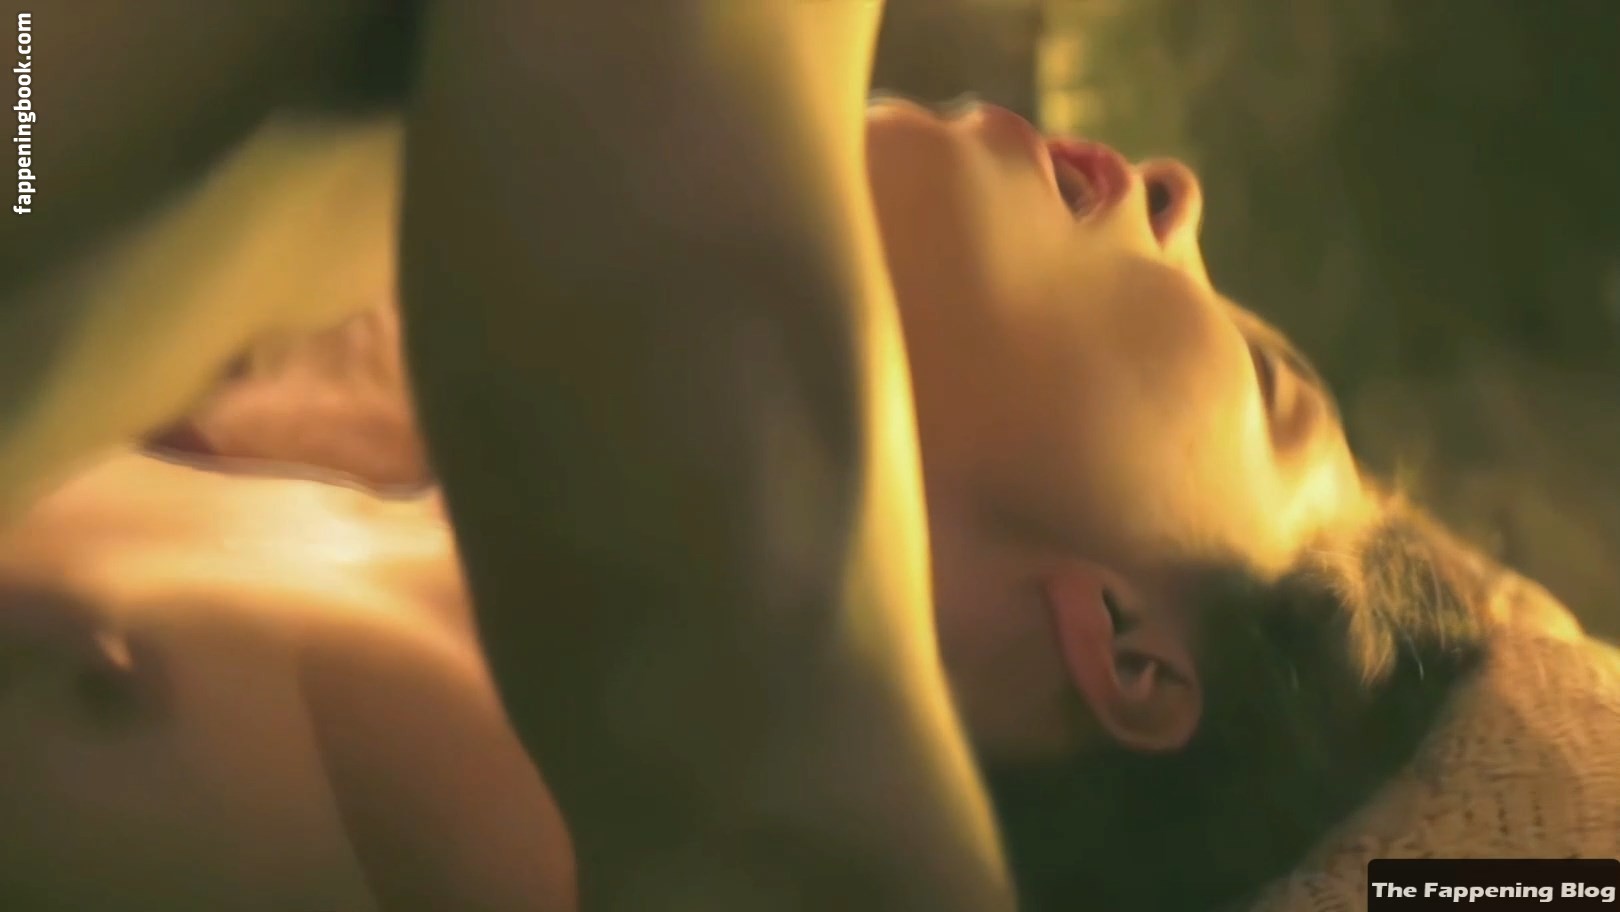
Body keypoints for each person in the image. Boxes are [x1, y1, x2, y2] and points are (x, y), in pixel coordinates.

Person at [6, 2, 1620, 911]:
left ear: (1131, 653)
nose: (1182, 197)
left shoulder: (777, 828)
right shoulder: (380, 423)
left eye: (1272, 386)